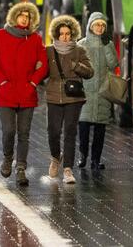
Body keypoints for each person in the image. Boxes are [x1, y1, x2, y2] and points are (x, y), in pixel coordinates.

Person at [0, 2, 47, 186]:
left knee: (24, 133)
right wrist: (1, 80)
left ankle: (20, 168)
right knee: (9, 130)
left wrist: (33, 82)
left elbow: (42, 63)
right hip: (7, 93)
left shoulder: (35, 39)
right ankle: (7, 157)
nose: (24, 19)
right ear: (14, 17)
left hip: (27, 93)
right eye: (21, 16)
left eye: (28, 17)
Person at [43, 15, 92, 184]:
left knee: (70, 131)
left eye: (68, 34)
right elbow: (43, 72)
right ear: (56, 35)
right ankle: (56, 157)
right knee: (53, 131)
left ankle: (68, 169)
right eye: (61, 34)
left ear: (73, 34)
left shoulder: (79, 51)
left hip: (73, 97)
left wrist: (75, 66)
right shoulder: (48, 51)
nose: (65, 37)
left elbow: (90, 72)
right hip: (54, 96)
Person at [76, 12, 117, 171]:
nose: (99, 28)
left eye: (102, 25)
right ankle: (83, 156)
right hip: (85, 93)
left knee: (100, 131)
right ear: (90, 26)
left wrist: (106, 46)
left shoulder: (108, 44)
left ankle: (95, 160)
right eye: (96, 25)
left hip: (102, 93)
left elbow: (113, 64)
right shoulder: (81, 44)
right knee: (84, 129)